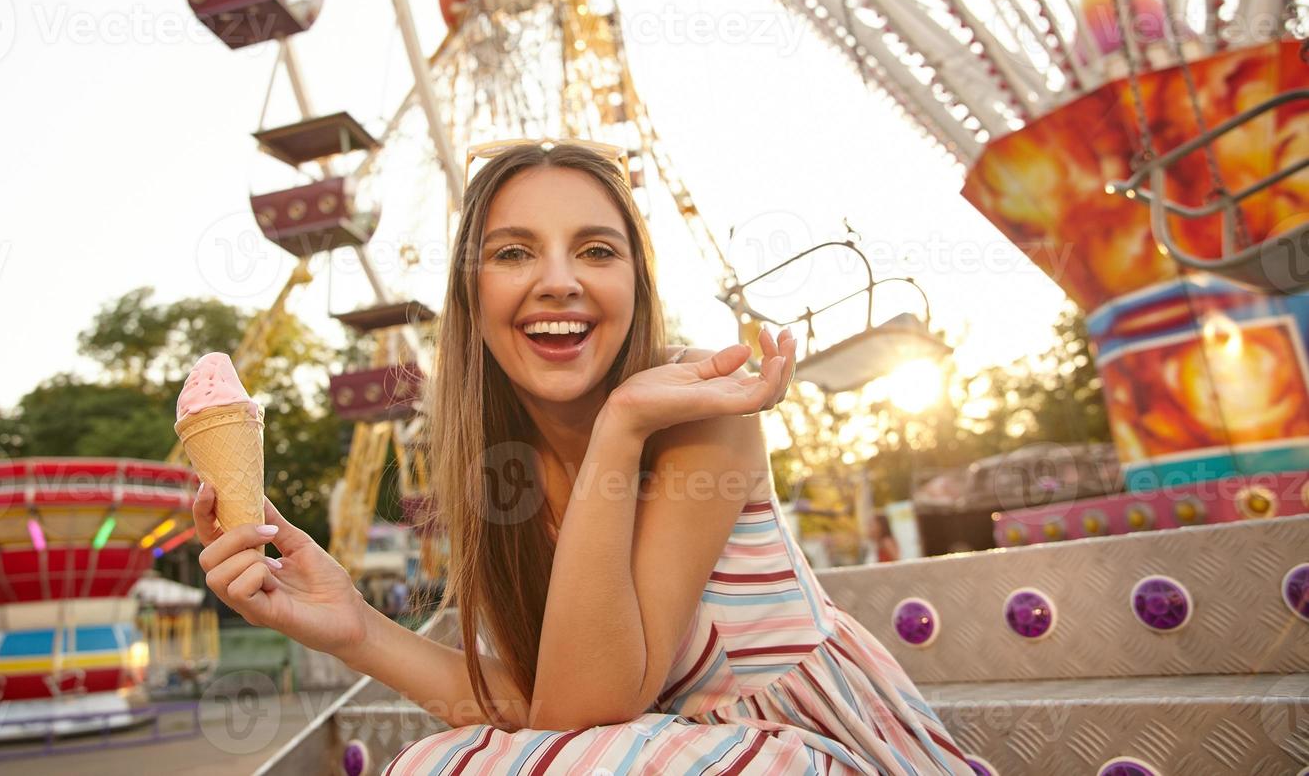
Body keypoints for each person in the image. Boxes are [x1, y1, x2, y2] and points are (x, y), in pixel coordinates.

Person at [193, 140, 970, 774]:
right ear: (470, 294)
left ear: (636, 281)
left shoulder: (698, 409)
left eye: (596, 250)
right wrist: (351, 628)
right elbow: (549, 708)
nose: (558, 282)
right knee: (430, 765)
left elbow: (586, 715)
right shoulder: (501, 473)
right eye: (513, 253)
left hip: (811, 752)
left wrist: (624, 423)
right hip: (632, 755)